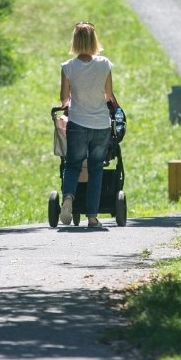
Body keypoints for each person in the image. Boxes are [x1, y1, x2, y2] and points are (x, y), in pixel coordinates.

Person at [58, 22, 115, 228]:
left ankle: (69, 198)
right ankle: (92, 217)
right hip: (100, 124)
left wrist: (65, 104)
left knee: (73, 165)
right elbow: (108, 95)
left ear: (75, 41)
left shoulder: (68, 67)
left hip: (78, 123)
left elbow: (64, 99)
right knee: (96, 169)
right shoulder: (104, 64)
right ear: (94, 40)